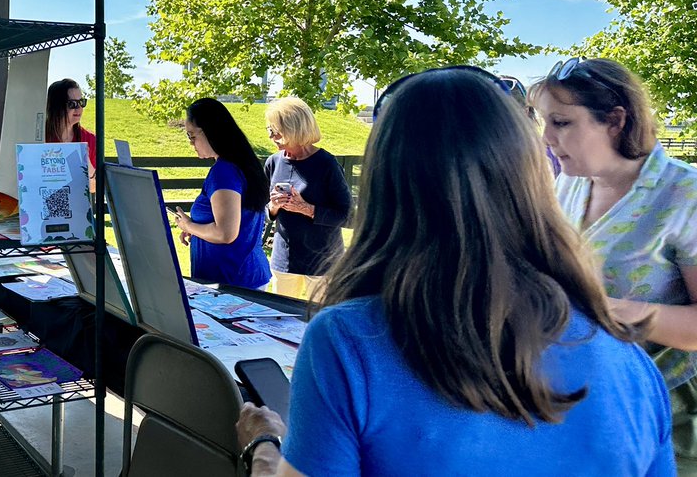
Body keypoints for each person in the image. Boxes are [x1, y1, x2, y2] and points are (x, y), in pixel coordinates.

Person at [236, 66, 673, 476]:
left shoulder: (346, 343)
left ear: (386, 181)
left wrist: (263, 445)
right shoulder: (630, 362)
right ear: (529, 178)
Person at [531, 56, 697, 469]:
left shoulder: (685, 195)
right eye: (543, 121)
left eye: (562, 122)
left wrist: (607, 311)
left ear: (615, 120)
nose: (546, 136)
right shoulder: (569, 182)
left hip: (674, 407)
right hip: (591, 393)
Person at [170, 98, 271, 290]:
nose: (191, 143)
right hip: (240, 278)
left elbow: (225, 233)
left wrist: (189, 225)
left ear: (211, 131)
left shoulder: (224, 172)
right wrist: (197, 229)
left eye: (192, 136)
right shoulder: (238, 165)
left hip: (231, 284)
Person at [262, 97, 351, 296]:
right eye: (270, 130)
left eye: (275, 131)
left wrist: (306, 208)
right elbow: (261, 210)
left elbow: (347, 216)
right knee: (281, 322)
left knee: (318, 322)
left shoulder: (326, 164)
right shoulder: (273, 162)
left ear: (294, 129)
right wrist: (273, 207)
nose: (271, 137)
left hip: (322, 263)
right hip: (283, 261)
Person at [45, 78, 97, 191]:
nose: (79, 108)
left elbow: (94, 188)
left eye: (81, 102)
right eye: (72, 104)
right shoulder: (38, 137)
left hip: (76, 206)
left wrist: (86, 163)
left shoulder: (90, 139)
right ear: (56, 107)